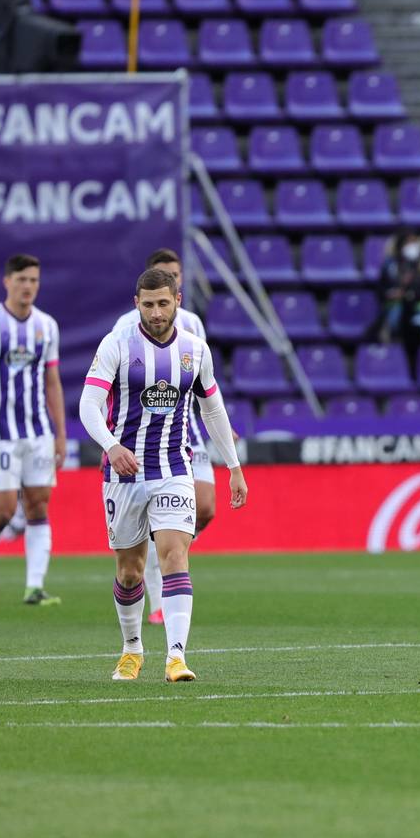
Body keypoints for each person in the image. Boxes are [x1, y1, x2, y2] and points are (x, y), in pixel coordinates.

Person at [79, 267, 248, 682]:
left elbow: (212, 409)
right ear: (137, 303)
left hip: (174, 468)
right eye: (149, 304)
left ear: (178, 302)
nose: (156, 312)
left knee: (175, 556)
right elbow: (87, 404)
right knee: (130, 570)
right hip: (124, 473)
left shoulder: (195, 350)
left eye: (163, 303)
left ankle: (176, 657)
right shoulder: (116, 344)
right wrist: (111, 446)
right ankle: (132, 649)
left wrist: (234, 467)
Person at [112, 249, 218, 626]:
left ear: (179, 287)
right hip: (140, 441)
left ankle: (170, 551)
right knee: (133, 562)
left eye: (174, 274)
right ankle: (159, 583)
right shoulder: (125, 328)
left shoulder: (193, 325)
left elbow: (203, 386)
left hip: (185, 431)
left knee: (205, 508)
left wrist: (220, 427)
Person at [0, 254, 66, 606]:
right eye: (22, 279)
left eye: (34, 280)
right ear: (7, 281)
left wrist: (61, 434)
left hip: (38, 433)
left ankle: (34, 587)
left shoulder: (47, 325)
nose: (28, 286)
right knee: (4, 512)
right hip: (0, 434)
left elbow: (52, 382)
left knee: (38, 506)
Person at [375, 230, 420, 374]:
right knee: (394, 320)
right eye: (408, 242)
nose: (411, 246)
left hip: (416, 309)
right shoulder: (390, 266)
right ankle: (390, 365)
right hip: (395, 309)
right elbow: (381, 290)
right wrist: (391, 294)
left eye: (414, 242)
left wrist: (408, 293)